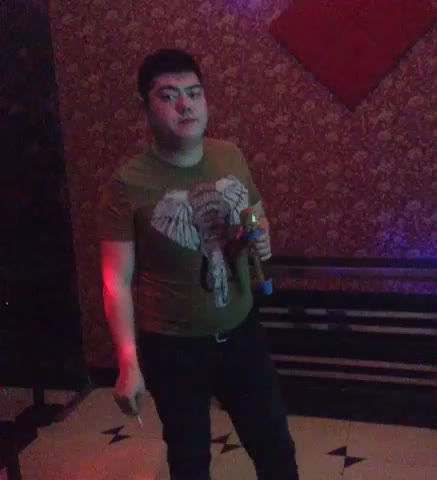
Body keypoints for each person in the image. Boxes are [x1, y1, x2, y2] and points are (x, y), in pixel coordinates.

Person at [98, 48, 299, 480]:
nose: (185, 105)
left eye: (194, 93)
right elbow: (116, 280)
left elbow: (255, 214)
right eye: (169, 95)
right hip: (174, 350)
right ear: (145, 108)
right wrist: (128, 362)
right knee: (190, 460)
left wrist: (260, 233)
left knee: (276, 449)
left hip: (242, 332)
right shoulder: (128, 184)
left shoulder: (230, 156)